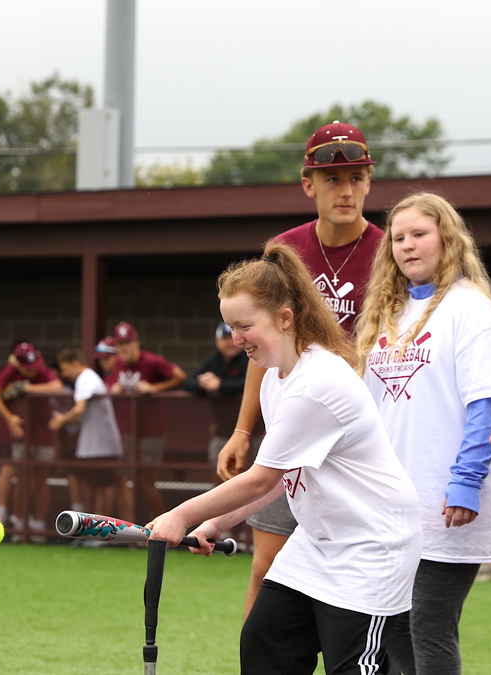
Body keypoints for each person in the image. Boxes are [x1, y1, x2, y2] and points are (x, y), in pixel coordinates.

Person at [148, 242, 421, 675]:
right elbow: (283, 474)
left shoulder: (316, 383)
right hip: (319, 540)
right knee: (265, 645)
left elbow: (260, 478)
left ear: (285, 317)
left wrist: (179, 515)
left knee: (352, 667)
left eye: (243, 326)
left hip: (372, 544)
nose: (235, 340)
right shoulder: (278, 378)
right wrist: (218, 522)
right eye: (229, 328)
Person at [216, 120, 385, 621]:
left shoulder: (389, 250)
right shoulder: (284, 251)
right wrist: (243, 429)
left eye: (356, 178)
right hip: (292, 425)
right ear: (308, 184)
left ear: (370, 181)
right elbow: (261, 346)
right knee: (267, 562)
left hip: (361, 433)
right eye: (333, 179)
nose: (346, 190)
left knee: (361, 564)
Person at [355, 192, 491, 675]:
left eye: (419, 234)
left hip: (447, 503)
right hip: (390, 503)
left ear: (447, 239)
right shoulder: (385, 314)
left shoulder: (472, 310)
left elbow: (488, 404)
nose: (407, 245)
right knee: (392, 626)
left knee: (428, 623)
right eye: (398, 238)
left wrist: (465, 481)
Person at [105, 321, 186, 522]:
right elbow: (107, 383)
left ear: (136, 343)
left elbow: (180, 376)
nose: (123, 347)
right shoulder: (116, 363)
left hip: (151, 430)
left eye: (127, 342)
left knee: (145, 480)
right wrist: (112, 388)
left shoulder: (152, 361)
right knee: (122, 477)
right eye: (120, 343)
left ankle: (160, 528)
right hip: (126, 430)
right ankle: (127, 529)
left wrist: (155, 388)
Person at [0, 342, 64, 535]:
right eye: (27, 368)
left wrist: (27, 388)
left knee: (41, 478)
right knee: (21, 477)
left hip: (42, 432)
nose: (31, 370)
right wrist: (9, 417)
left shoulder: (42, 370)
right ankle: (19, 521)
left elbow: (57, 386)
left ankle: (38, 524)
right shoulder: (10, 370)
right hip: (21, 433)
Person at [50, 348, 123, 517]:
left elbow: (79, 409)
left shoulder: (86, 378)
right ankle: (86, 525)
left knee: (104, 486)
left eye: (65, 369)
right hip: (93, 446)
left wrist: (62, 420)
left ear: (75, 363)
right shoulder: (87, 378)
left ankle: (99, 531)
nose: (64, 374)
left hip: (102, 445)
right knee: (93, 484)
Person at [183, 322, 250, 474]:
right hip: (222, 430)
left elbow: (250, 385)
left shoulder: (249, 357)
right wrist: (203, 384)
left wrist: (220, 385)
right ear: (217, 341)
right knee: (219, 470)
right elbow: (188, 382)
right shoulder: (213, 360)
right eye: (224, 338)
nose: (230, 343)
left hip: (252, 430)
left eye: (232, 337)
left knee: (250, 472)